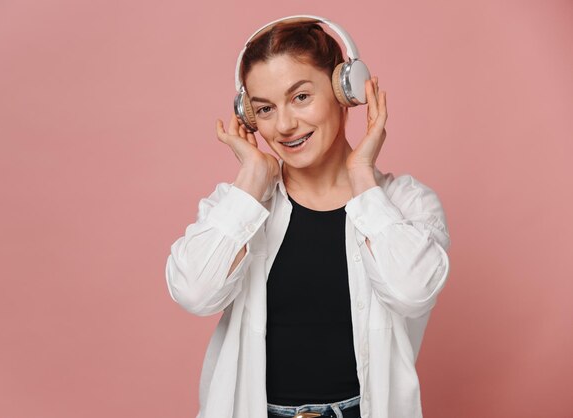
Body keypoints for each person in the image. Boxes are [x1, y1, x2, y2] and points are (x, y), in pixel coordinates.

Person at [165, 15, 451, 418]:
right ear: (249, 117)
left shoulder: (406, 203)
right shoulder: (240, 206)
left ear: (345, 90)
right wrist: (251, 179)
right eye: (265, 109)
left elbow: (413, 292)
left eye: (300, 97)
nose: (283, 125)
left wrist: (361, 176)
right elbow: (194, 293)